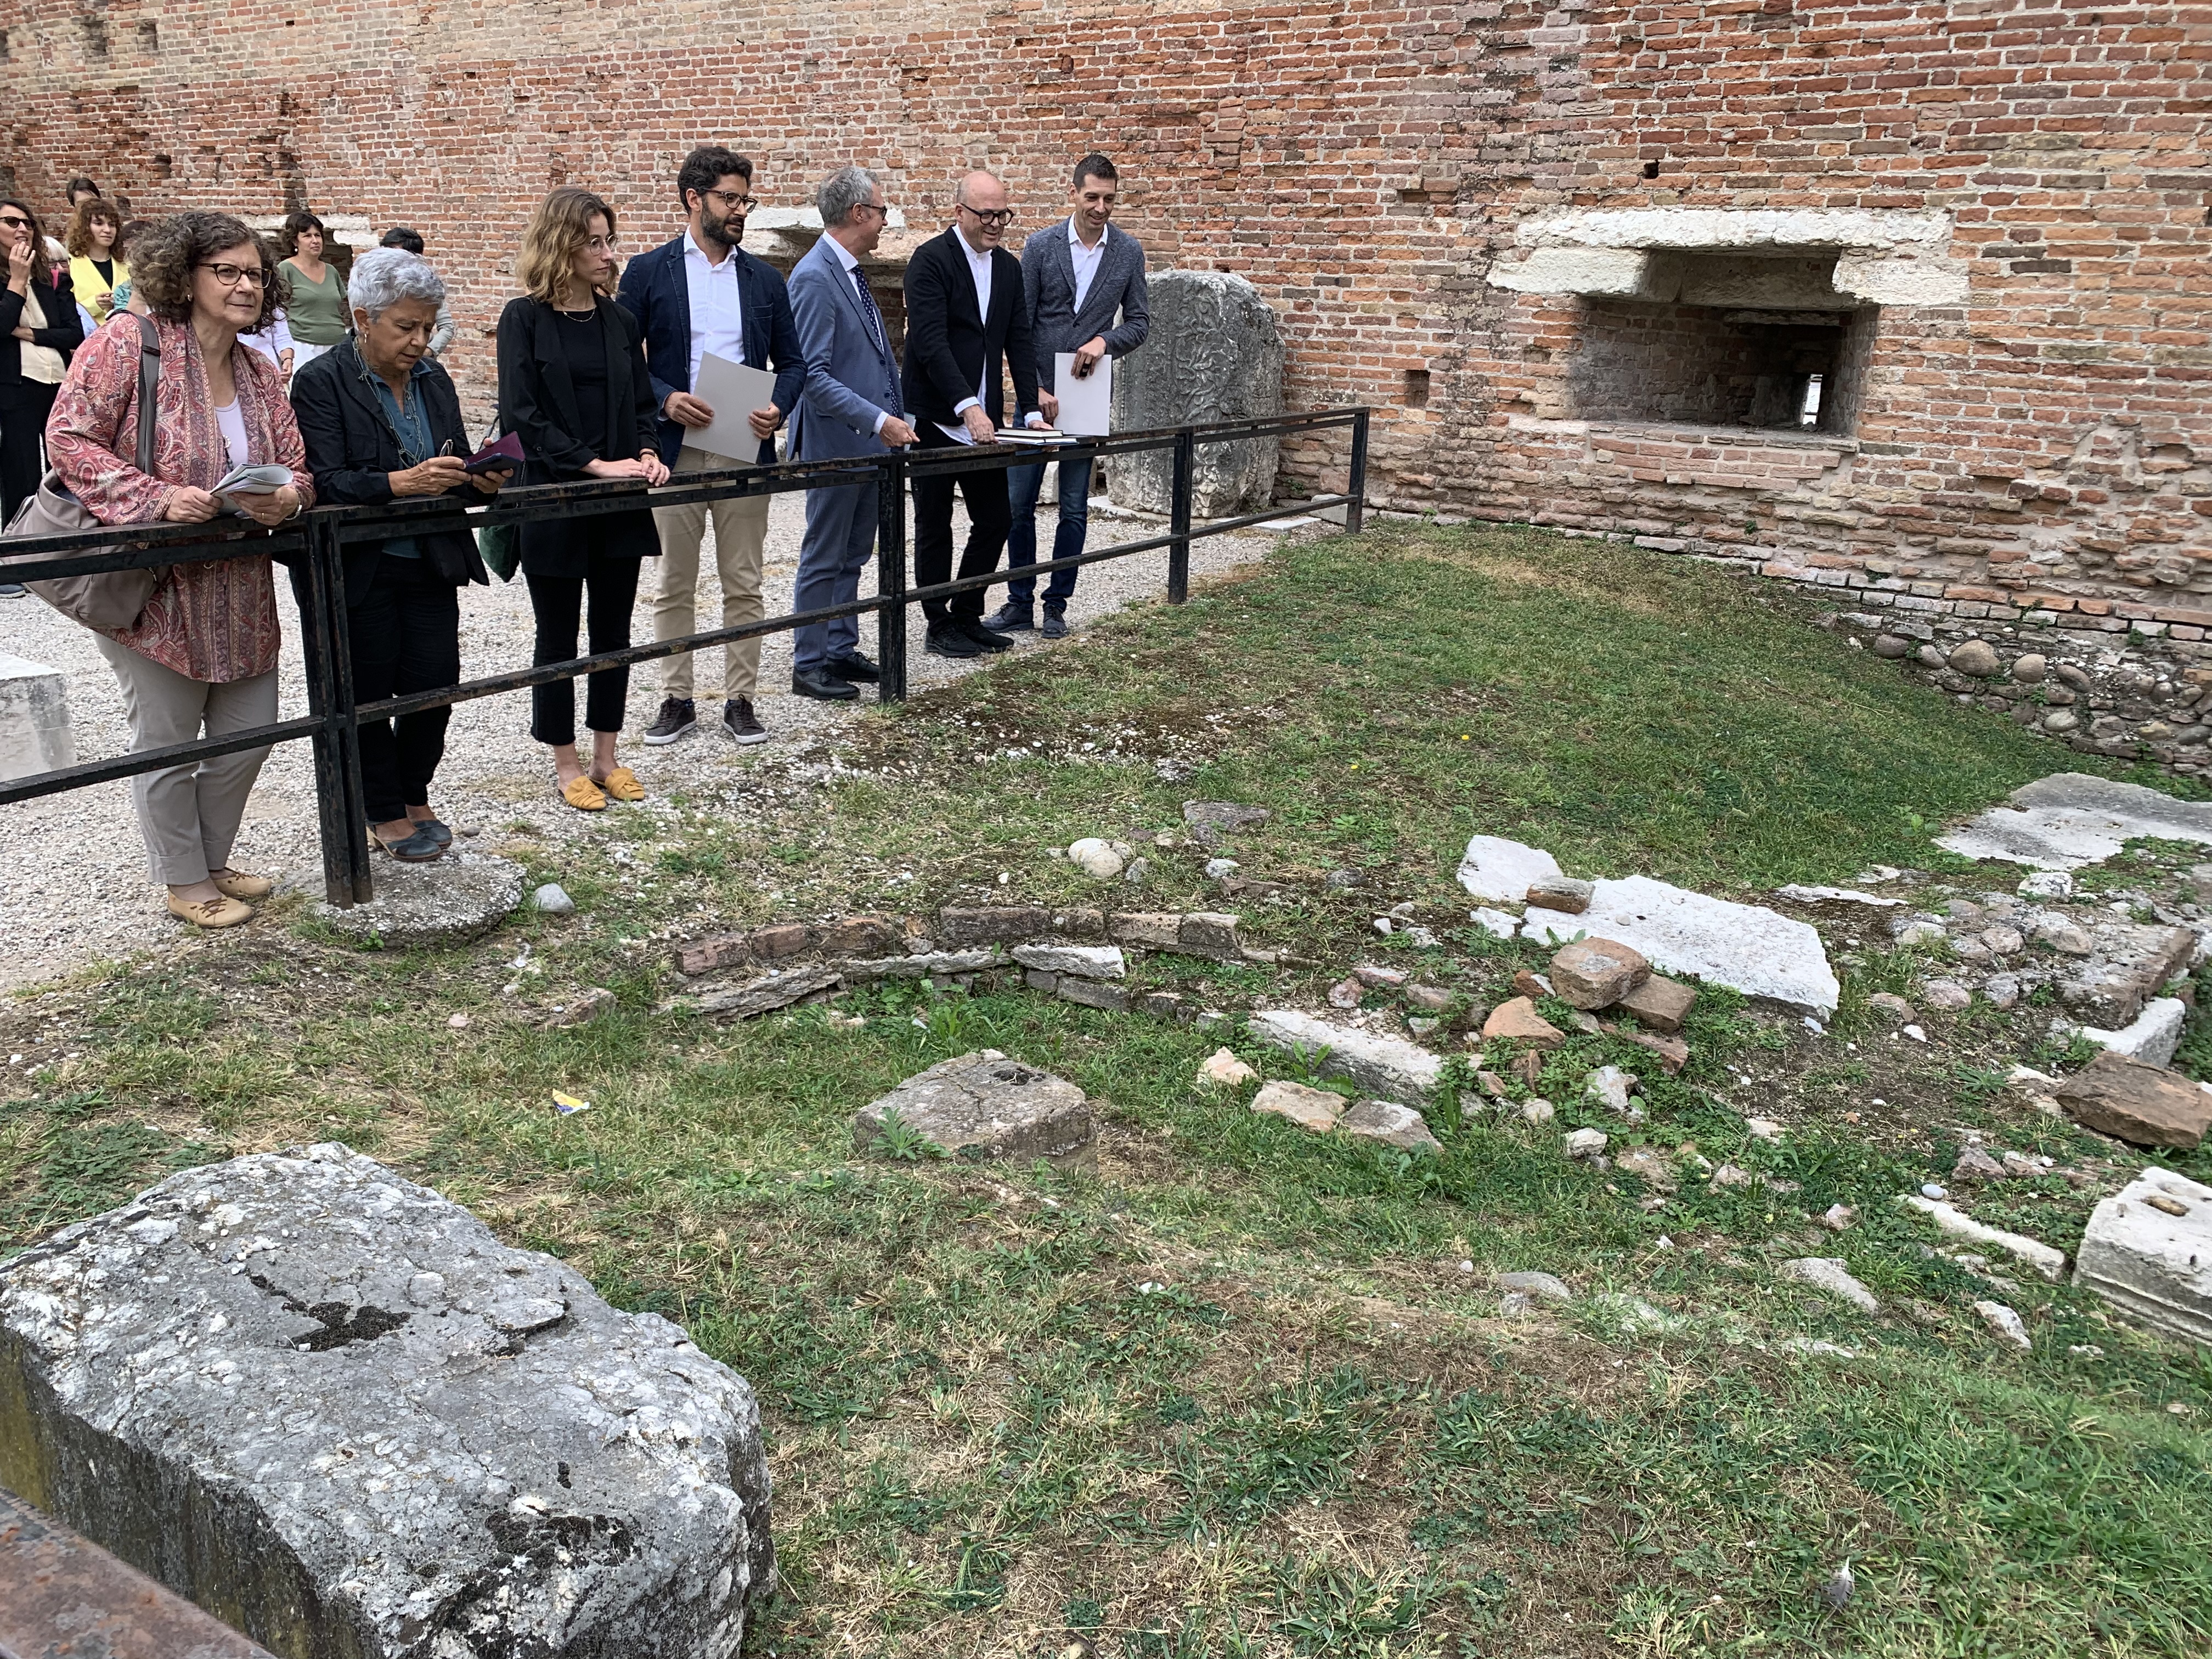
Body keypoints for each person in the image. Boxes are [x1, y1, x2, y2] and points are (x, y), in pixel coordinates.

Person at [44, 211, 312, 928]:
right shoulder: (131, 344)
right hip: (152, 582)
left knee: (250, 732)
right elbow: (69, 437)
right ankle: (185, 879)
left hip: (240, 585)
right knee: (165, 738)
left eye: (255, 272)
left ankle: (213, 858)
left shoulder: (258, 368)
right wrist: (155, 497)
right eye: (226, 271)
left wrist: (288, 498)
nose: (246, 285)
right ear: (183, 275)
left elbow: (298, 469)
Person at [290, 247, 509, 862]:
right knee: (369, 689)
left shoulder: (434, 379)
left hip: (433, 555)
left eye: (428, 327)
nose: (420, 341)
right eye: (405, 327)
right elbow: (325, 480)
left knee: (435, 683)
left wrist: (479, 479)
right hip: (362, 565)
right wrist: (399, 483)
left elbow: (454, 456)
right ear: (363, 319)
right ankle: (381, 807)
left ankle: (415, 793)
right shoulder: (320, 381)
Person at [617, 145, 804, 747]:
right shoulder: (648, 272)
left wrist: (780, 405)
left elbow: (795, 363)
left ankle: (741, 698)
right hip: (673, 445)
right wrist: (666, 397)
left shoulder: (764, 279)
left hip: (742, 441)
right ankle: (677, 697)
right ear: (694, 199)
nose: (740, 210)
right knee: (675, 579)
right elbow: (622, 359)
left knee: (743, 579)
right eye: (730, 198)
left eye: (745, 199)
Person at [496, 186, 668, 812]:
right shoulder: (524, 317)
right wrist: (592, 463)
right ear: (561, 245)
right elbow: (521, 414)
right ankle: (565, 759)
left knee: (614, 631)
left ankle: (607, 755)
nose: (606, 253)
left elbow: (644, 405)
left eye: (608, 240)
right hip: (555, 496)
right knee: (558, 633)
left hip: (620, 496)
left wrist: (648, 453)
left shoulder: (619, 320)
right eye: (592, 242)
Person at [988, 154, 1150, 640]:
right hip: (1037, 393)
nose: (1101, 207)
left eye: (1109, 199)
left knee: (1075, 506)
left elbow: (1140, 323)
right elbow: (1020, 324)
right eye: (1093, 197)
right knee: (1017, 504)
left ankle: (1056, 603)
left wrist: (1106, 342)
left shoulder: (1128, 252)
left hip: (1088, 392)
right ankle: (1018, 601)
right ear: (1074, 193)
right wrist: (1033, 389)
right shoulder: (1039, 247)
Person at [901, 170, 1048, 659]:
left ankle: (966, 612)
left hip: (985, 422)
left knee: (995, 519)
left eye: (1003, 214)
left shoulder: (1007, 268)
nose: (996, 223)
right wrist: (968, 406)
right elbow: (929, 342)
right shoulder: (929, 261)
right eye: (986, 214)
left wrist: (1029, 410)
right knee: (935, 525)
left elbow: (1019, 340)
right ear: (959, 211)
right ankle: (936, 622)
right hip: (936, 418)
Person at [786, 166, 916, 701]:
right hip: (837, 444)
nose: (887, 221)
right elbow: (811, 377)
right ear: (859, 213)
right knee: (825, 553)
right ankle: (809, 661)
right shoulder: (815, 277)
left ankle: (839, 647)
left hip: (869, 447)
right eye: (883, 211)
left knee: (854, 554)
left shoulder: (852, 272)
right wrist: (879, 419)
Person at [0, 200, 86, 534]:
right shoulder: (16, 279)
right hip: (16, 385)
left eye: (28, 223)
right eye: (11, 222)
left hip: (58, 382)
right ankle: (16, 553)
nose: (22, 229)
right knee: (20, 471)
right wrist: (16, 281)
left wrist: (29, 333)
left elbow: (73, 333)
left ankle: (63, 546)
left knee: (63, 469)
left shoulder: (51, 277)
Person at [278, 211, 348, 371]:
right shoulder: (286, 269)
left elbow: (340, 309)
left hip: (336, 346)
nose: (315, 241)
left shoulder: (331, 271)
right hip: (303, 346)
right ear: (295, 240)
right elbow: (277, 312)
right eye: (307, 236)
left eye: (318, 235)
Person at [378, 228, 456, 359]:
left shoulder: (427, 289)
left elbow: (447, 327)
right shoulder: (375, 283)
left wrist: (429, 351)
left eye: (395, 254)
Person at [65, 197, 128, 325]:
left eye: (112, 225)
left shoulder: (127, 265)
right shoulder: (69, 264)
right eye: (99, 223)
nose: (107, 230)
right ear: (85, 228)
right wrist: (94, 304)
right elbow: (63, 310)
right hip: (87, 337)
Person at [105, 218, 154, 316]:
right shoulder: (124, 290)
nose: (131, 256)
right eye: (127, 250)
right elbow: (128, 324)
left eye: (137, 249)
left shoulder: (173, 284)